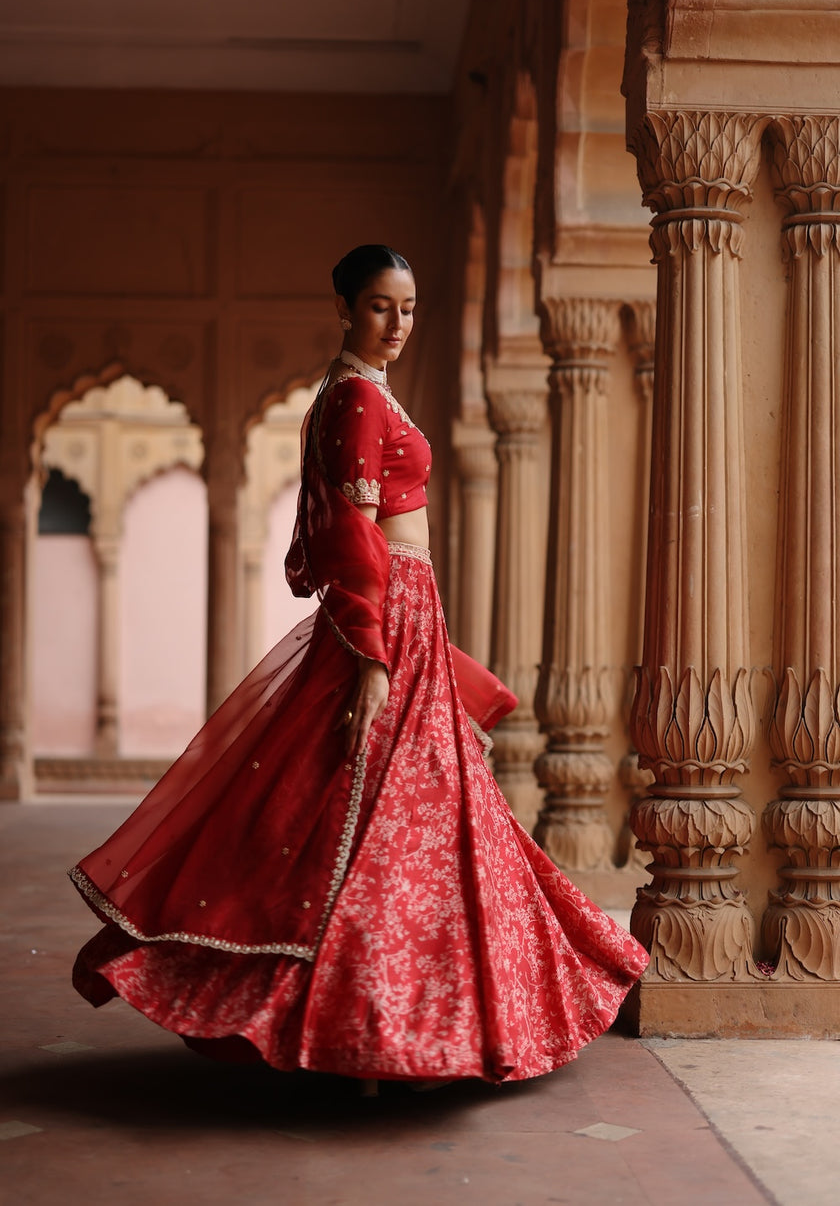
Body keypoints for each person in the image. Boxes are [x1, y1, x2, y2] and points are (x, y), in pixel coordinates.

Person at [70, 244, 648, 1087]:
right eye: (381, 306)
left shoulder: (365, 391)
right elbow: (351, 535)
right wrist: (373, 658)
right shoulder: (353, 397)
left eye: (408, 308)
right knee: (381, 808)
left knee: (408, 807)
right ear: (344, 308)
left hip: (408, 611)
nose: (398, 323)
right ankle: (369, 1024)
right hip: (388, 617)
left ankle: (392, 1023)